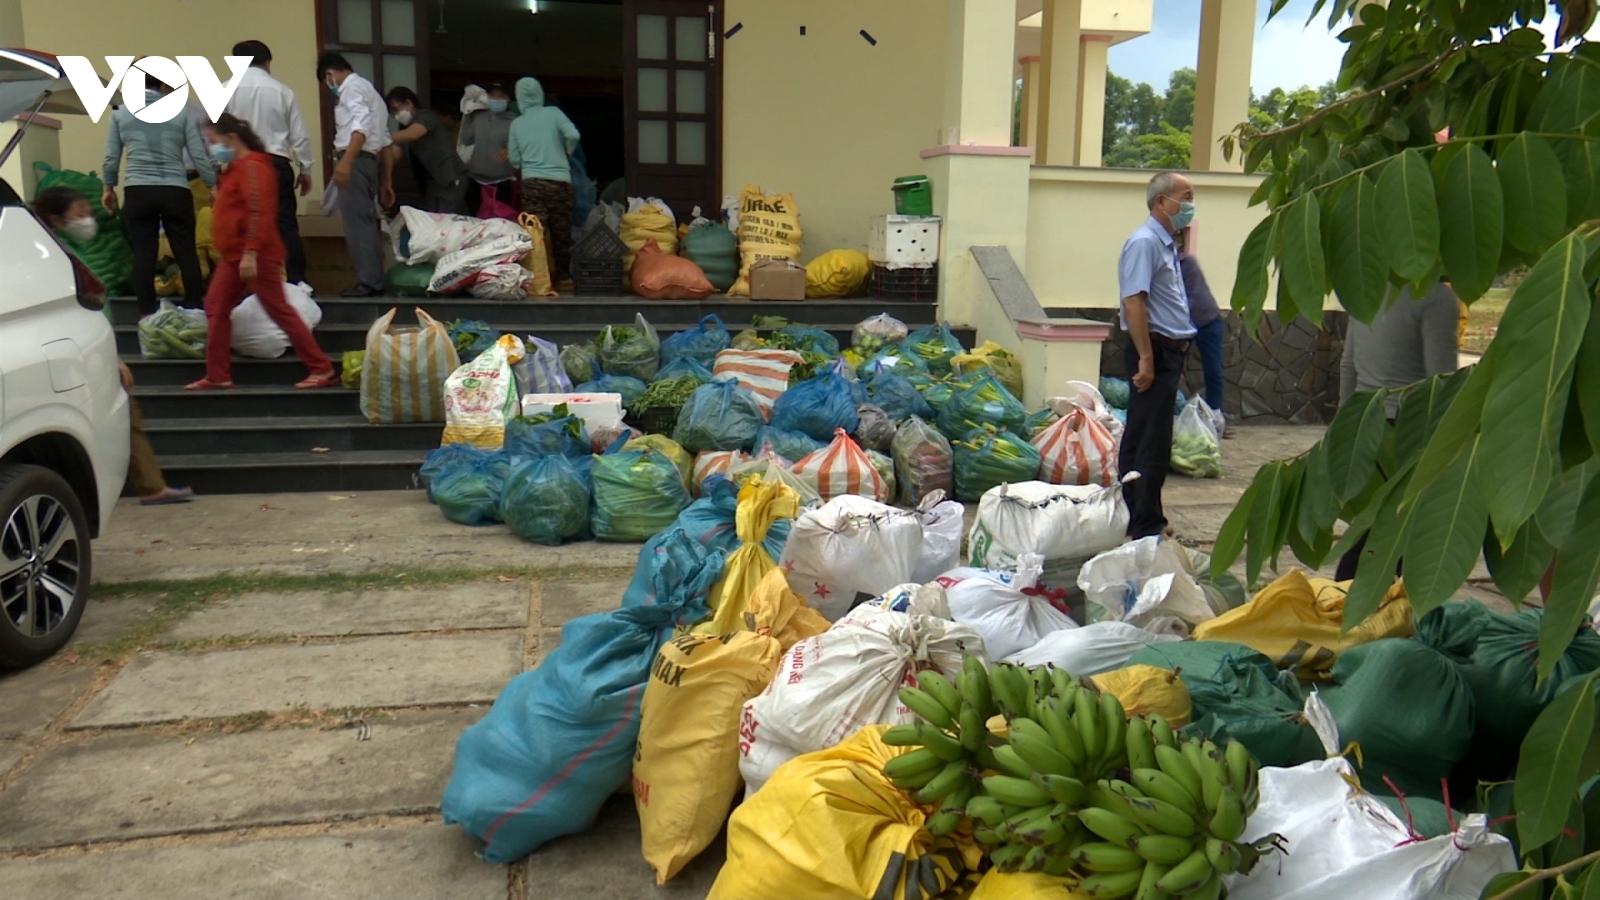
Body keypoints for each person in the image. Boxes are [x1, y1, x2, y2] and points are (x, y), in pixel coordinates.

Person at [34, 186, 194, 506]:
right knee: (124, 414)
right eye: (79, 214)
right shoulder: (56, 258)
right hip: (81, 350)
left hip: (84, 347)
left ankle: (149, 486)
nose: (87, 220)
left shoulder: (56, 252)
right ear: (54, 219)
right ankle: (149, 486)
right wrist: (112, 357)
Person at [185, 114, 336, 392]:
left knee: (278, 309)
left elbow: (260, 211)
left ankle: (321, 368)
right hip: (235, 255)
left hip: (256, 254)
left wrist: (251, 252)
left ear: (231, 138)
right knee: (216, 308)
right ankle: (217, 374)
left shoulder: (254, 168)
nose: (211, 148)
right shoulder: (233, 168)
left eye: (213, 141)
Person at [1334, 280, 1460, 580]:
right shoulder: (1438, 298)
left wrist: (1344, 428)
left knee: (1370, 524)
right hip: (1407, 427)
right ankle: (1374, 606)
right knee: (1404, 528)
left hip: (1364, 424)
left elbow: (1348, 365)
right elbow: (1440, 380)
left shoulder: (1367, 292)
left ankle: (1343, 601)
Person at [1116, 171, 1197, 540]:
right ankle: (1144, 522)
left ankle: (1142, 515)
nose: (1191, 205)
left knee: (1151, 437)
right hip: (1155, 351)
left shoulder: (1165, 243)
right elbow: (1134, 300)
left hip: (1168, 350)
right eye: (1186, 196)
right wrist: (1147, 358)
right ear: (1162, 202)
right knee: (1149, 441)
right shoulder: (1145, 242)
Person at [102, 67, 217, 317]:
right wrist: (212, 185)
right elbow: (198, 154)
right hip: (175, 189)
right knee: (185, 250)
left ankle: (146, 312)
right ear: (163, 84)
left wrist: (108, 186)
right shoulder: (180, 112)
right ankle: (194, 306)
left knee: (144, 252)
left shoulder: (120, 113)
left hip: (138, 190)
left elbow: (112, 156)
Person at [225, 39, 315, 285]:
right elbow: (299, 136)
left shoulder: (223, 90)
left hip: (240, 165)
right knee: (285, 224)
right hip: (276, 163)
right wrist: (305, 169)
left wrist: (216, 171)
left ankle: (246, 284)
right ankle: (297, 282)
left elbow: (212, 136)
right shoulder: (282, 91)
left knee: (242, 225)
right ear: (267, 62)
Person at [317, 52, 389, 298]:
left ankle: (369, 282)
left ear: (330, 74)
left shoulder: (352, 88)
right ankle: (373, 279)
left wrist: (345, 162)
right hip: (369, 162)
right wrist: (386, 181)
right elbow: (386, 142)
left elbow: (360, 128)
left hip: (356, 159)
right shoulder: (372, 93)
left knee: (358, 226)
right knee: (366, 222)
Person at [508, 77, 580, 287]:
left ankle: (537, 279)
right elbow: (573, 135)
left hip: (532, 182)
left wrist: (527, 162)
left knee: (535, 231)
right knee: (562, 231)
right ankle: (564, 278)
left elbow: (514, 159)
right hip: (560, 182)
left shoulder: (517, 123)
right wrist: (565, 151)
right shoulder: (554, 114)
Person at [381, 86, 470, 215]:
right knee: (437, 220)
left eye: (396, 109)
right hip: (433, 183)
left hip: (451, 177)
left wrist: (378, 137)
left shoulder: (427, 116)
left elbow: (413, 134)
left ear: (408, 103)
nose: (396, 116)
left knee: (445, 222)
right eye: (393, 113)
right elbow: (396, 152)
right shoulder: (408, 128)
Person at [1177, 229, 1232, 437]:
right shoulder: (1167, 265)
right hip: (1185, 322)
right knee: (1173, 367)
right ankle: (1180, 414)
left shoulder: (1186, 264)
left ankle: (1215, 417)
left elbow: (1190, 297)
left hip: (1206, 320)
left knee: (1213, 369)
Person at [459, 82, 518, 217]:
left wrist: (510, 151)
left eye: (501, 96)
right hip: (475, 180)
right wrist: (468, 113)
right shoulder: (478, 116)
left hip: (502, 182)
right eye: (493, 95)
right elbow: (466, 139)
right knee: (474, 220)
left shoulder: (515, 122)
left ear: (509, 99)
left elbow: (524, 147)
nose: (496, 99)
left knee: (499, 224)